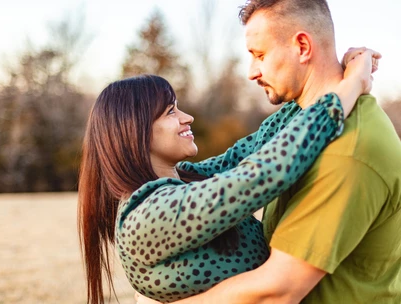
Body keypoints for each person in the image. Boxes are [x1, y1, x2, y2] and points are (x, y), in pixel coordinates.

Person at [133, 0, 401, 303]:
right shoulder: (296, 126)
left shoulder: (348, 150)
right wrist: (352, 76)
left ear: (302, 46)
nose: (252, 72)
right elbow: (230, 167)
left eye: (259, 55)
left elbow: (278, 291)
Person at [78, 45, 376, 303]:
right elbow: (268, 171)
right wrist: (354, 83)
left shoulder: (187, 181)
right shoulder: (146, 215)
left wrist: (332, 75)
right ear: (135, 132)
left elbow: (256, 145)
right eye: (171, 112)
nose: (187, 118)